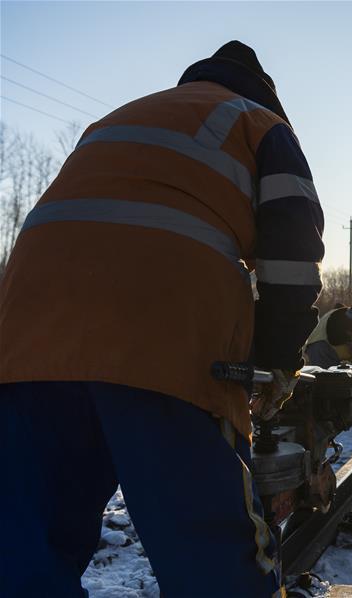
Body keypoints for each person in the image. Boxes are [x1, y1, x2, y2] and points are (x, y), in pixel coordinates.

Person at [0, 41, 323, 596]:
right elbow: (291, 262)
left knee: (24, 548)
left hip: (23, 337)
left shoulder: (116, 119)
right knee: (212, 552)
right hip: (161, 336)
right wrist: (275, 365)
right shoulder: (259, 123)